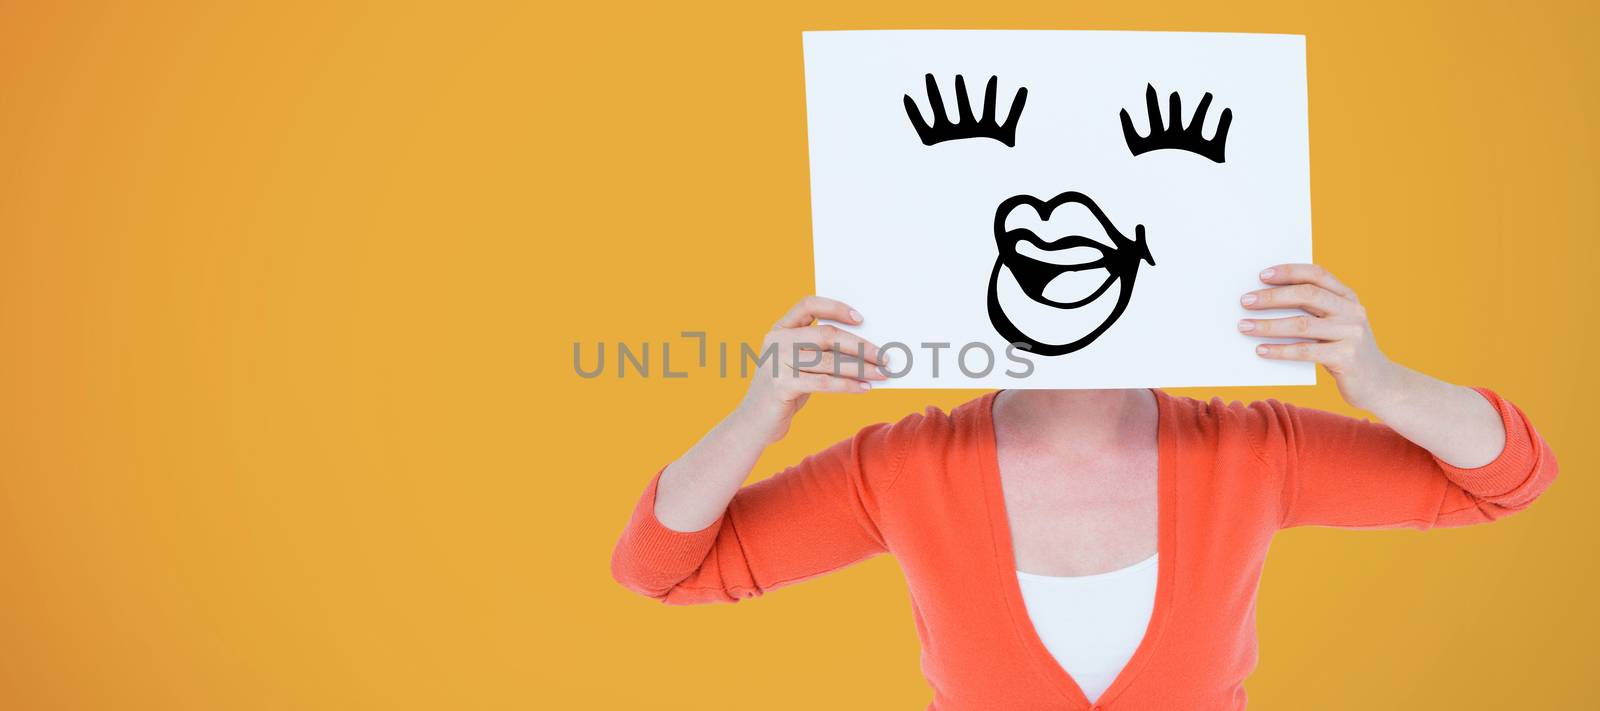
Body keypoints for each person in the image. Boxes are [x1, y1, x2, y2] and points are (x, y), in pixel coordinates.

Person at [609, 264, 1557, 711]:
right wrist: (757, 416)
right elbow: (661, 567)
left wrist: (1380, 379)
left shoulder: (1253, 451)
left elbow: (1507, 478)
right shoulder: (898, 467)